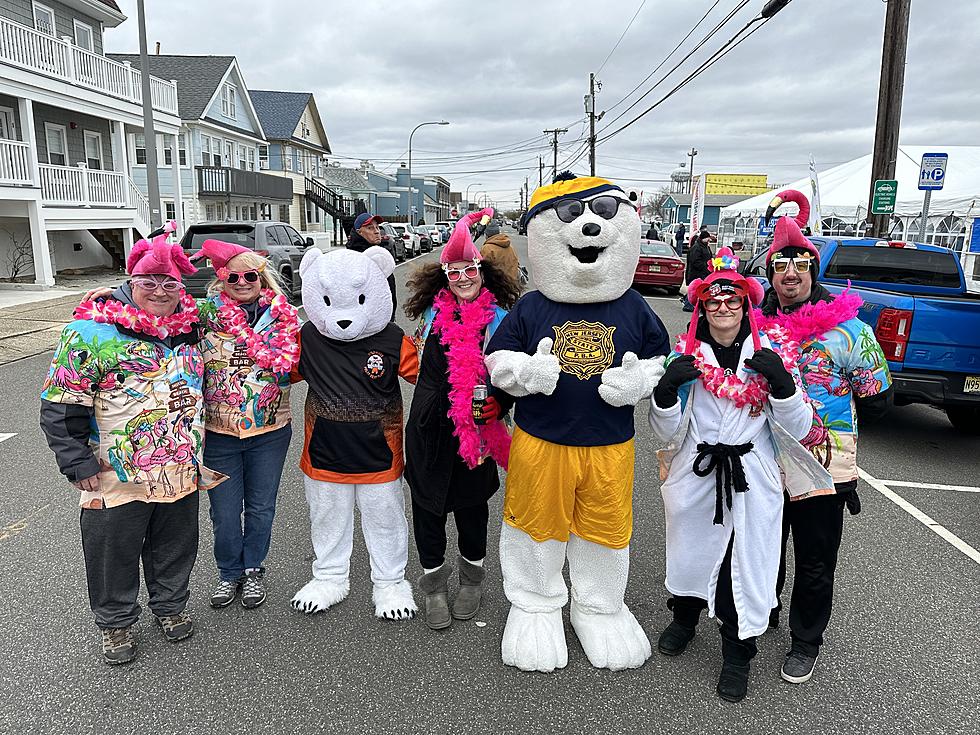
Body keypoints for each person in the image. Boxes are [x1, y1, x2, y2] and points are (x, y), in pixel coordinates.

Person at [649, 247, 820, 703]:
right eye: (713, 301)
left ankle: (737, 654)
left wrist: (783, 386)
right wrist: (666, 393)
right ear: (701, 308)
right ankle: (684, 618)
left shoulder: (773, 354)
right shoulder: (684, 357)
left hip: (751, 477)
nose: (723, 308)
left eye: (733, 301)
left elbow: (800, 428)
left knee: (741, 567)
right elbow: (665, 432)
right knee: (689, 555)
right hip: (698, 472)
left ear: (746, 306)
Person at [40, 234, 217, 665]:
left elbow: (244, 303)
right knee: (111, 550)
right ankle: (116, 623)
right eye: (149, 281)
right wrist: (77, 462)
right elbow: (60, 405)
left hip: (178, 467)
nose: (159, 291)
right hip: (113, 473)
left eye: (169, 283)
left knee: (175, 544)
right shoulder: (91, 331)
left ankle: (170, 607)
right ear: (130, 280)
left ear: (182, 287)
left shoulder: (192, 326)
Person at [757, 189, 892, 685]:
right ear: (769, 274)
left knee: (815, 559)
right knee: (762, 544)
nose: (789, 273)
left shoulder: (850, 332)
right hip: (763, 456)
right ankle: (761, 613)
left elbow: (876, 398)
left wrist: (835, 434)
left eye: (799, 264)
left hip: (823, 460)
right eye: (779, 265)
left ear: (813, 271)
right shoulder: (754, 328)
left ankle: (805, 641)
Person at [403, 208, 522, 630]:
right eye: (454, 272)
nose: (464, 278)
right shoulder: (433, 315)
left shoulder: (504, 321)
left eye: (470, 269)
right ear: (445, 277)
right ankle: (434, 584)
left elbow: (513, 376)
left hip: (478, 430)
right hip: (430, 428)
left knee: (473, 509)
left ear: (483, 270)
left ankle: (472, 579)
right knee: (427, 509)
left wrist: (500, 406)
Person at [191, 239, 300, 610]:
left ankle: (253, 568)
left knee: (260, 506)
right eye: (233, 276)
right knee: (223, 510)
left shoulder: (286, 317)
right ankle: (228, 572)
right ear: (221, 279)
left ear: (261, 277)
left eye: (250, 275)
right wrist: (114, 299)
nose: (242, 282)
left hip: (270, 431)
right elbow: (159, 313)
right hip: (219, 434)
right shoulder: (204, 315)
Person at [346, 212, 397, 319]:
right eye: (370, 228)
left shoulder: (380, 253)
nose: (377, 231)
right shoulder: (354, 257)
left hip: (385, 318)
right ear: (359, 232)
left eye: (377, 227)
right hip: (367, 321)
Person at [682, 230, 714, 312]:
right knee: (695, 288)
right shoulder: (696, 247)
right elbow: (695, 261)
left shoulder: (706, 247)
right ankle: (688, 304)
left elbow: (709, 257)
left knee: (700, 289)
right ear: (703, 238)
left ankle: (688, 301)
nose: (709, 240)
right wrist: (705, 266)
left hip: (704, 272)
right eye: (707, 238)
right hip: (696, 273)